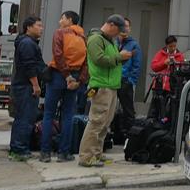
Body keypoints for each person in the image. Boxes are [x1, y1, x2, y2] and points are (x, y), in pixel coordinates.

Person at [78, 15, 131, 167]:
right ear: (112, 25)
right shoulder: (96, 39)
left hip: (111, 86)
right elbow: (99, 59)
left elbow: (110, 59)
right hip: (101, 86)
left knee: (105, 123)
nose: (118, 34)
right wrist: (119, 57)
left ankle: (96, 153)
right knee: (96, 122)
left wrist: (120, 58)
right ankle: (86, 157)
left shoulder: (109, 40)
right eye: (118, 31)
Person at [41, 11, 88, 162]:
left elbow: (57, 54)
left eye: (62, 18)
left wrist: (66, 75)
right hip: (74, 79)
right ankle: (64, 153)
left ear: (69, 20)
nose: (60, 21)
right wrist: (78, 81)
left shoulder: (60, 33)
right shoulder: (82, 37)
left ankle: (45, 153)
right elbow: (86, 63)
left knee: (48, 114)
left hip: (57, 75)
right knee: (68, 115)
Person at [9, 16, 45, 161]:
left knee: (24, 118)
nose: (41, 28)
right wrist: (35, 85)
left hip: (24, 86)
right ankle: (19, 150)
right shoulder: (27, 43)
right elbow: (29, 67)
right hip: (26, 86)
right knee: (25, 118)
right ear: (28, 27)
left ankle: (18, 148)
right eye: (38, 25)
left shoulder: (27, 42)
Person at [116, 17, 142, 141]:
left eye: (127, 26)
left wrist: (131, 81)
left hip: (125, 81)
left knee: (128, 110)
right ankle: (115, 134)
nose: (124, 28)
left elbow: (137, 66)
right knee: (109, 109)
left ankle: (130, 137)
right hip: (111, 80)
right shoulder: (113, 42)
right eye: (122, 26)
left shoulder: (134, 44)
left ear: (130, 29)